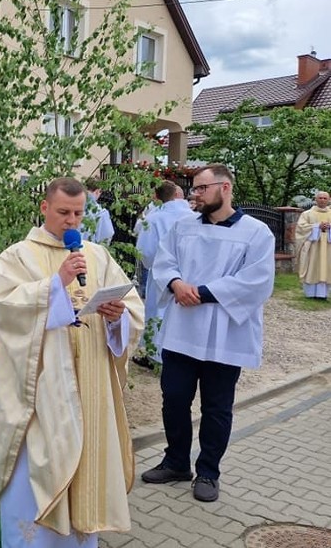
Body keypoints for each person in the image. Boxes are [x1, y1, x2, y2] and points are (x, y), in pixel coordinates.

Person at [0, 177, 144, 547]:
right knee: (39, 469)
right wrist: (55, 284)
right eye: (63, 212)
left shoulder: (97, 255)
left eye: (78, 213)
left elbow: (133, 308)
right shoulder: (18, 256)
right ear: (45, 209)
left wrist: (115, 316)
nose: (71, 221)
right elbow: (8, 309)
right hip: (44, 391)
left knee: (85, 471)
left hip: (89, 383)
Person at [142, 164, 275, 503]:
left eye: (201, 188)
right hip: (182, 330)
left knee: (216, 408)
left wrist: (200, 292)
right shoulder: (182, 226)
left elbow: (256, 281)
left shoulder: (256, 232)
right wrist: (175, 284)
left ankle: (208, 472)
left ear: (225, 188)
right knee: (173, 399)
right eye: (193, 188)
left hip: (224, 335)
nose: (194, 194)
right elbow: (163, 261)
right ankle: (176, 462)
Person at [134, 181, 196, 362]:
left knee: (157, 313)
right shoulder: (193, 216)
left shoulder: (153, 218)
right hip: (189, 273)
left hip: (161, 274)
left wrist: (153, 265)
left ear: (157, 197)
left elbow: (145, 251)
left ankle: (156, 355)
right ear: (178, 195)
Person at [294, 190, 331, 299]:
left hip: (328, 247)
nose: (323, 200)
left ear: (329, 200)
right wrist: (317, 227)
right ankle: (310, 294)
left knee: (326, 268)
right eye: (320, 198)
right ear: (316, 199)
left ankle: (323, 294)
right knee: (311, 268)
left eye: (325, 198)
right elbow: (301, 228)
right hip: (313, 247)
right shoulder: (307, 214)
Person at [80, 177, 114, 244]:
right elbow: (106, 237)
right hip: (90, 250)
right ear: (97, 191)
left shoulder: (72, 204)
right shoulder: (100, 212)